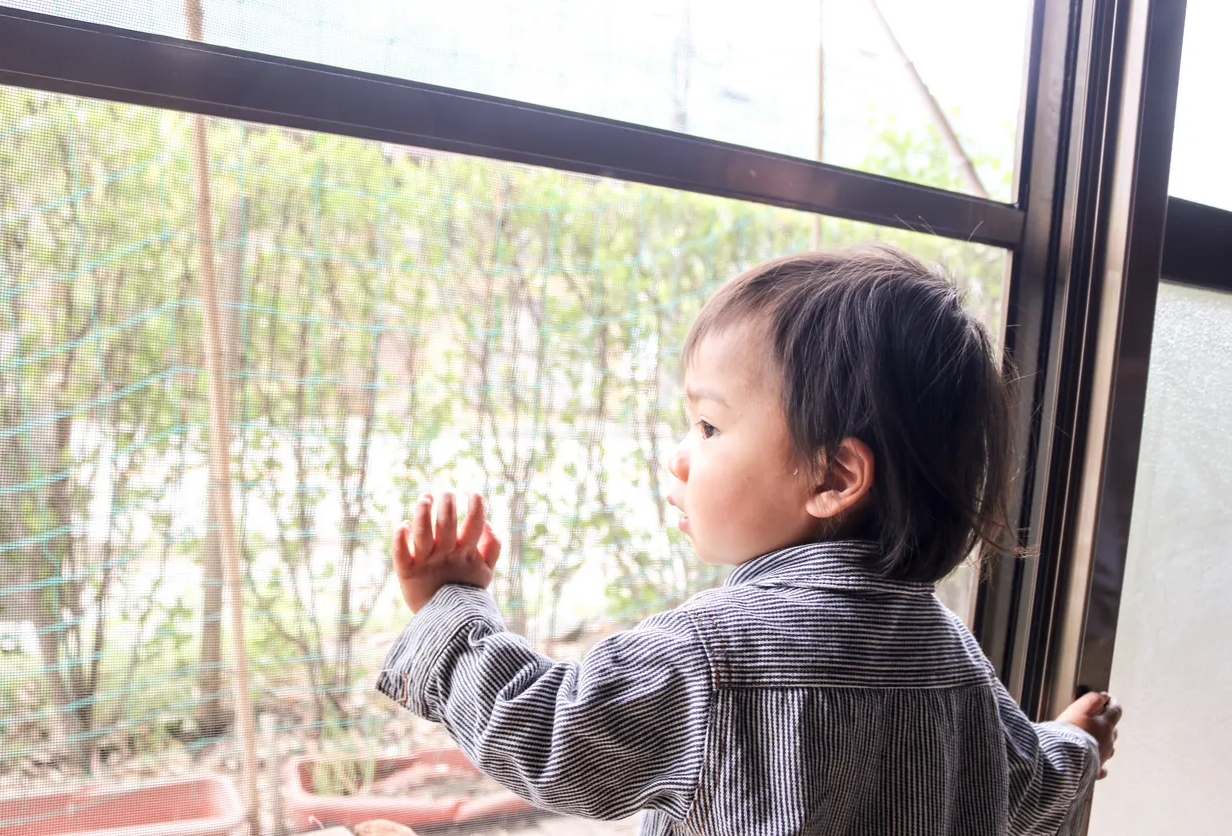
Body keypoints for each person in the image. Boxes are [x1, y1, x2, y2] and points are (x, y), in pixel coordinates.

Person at [375, 245, 1122, 835]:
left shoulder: (712, 654)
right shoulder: (952, 658)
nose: (680, 455)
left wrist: (451, 610)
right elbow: (1020, 783)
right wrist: (1076, 745)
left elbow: (547, 732)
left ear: (833, 476)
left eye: (708, 427)